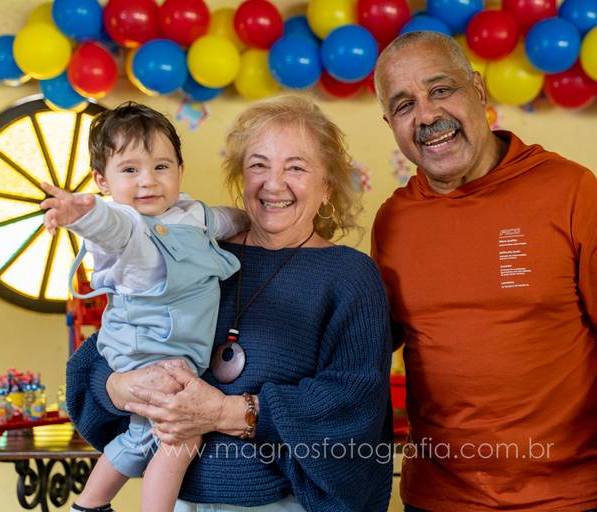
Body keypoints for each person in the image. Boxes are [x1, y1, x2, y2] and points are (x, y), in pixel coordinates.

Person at [371, 32, 597, 511]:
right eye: (405, 104)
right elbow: (367, 348)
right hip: (436, 498)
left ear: (478, 89)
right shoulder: (394, 220)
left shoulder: (570, 191)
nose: (427, 115)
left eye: (441, 89)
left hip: (567, 498)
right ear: (391, 124)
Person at [64, 95, 394, 512]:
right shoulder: (197, 251)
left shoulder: (349, 275)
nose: (274, 184)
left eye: (296, 167)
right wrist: (121, 388)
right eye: (258, 165)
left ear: (327, 185)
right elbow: (101, 356)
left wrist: (226, 412)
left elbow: (353, 403)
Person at [41, 102, 249, 512]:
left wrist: (248, 221)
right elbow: (109, 226)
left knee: (141, 437)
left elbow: (221, 221)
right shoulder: (126, 226)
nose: (148, 181)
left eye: (161, 166)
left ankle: (89, 505)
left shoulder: (189, 213)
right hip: (146, 353)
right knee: (180, 436)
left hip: (175, 353)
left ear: (180, 170)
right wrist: (81, 215)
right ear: (102, 180)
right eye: (130, 170)